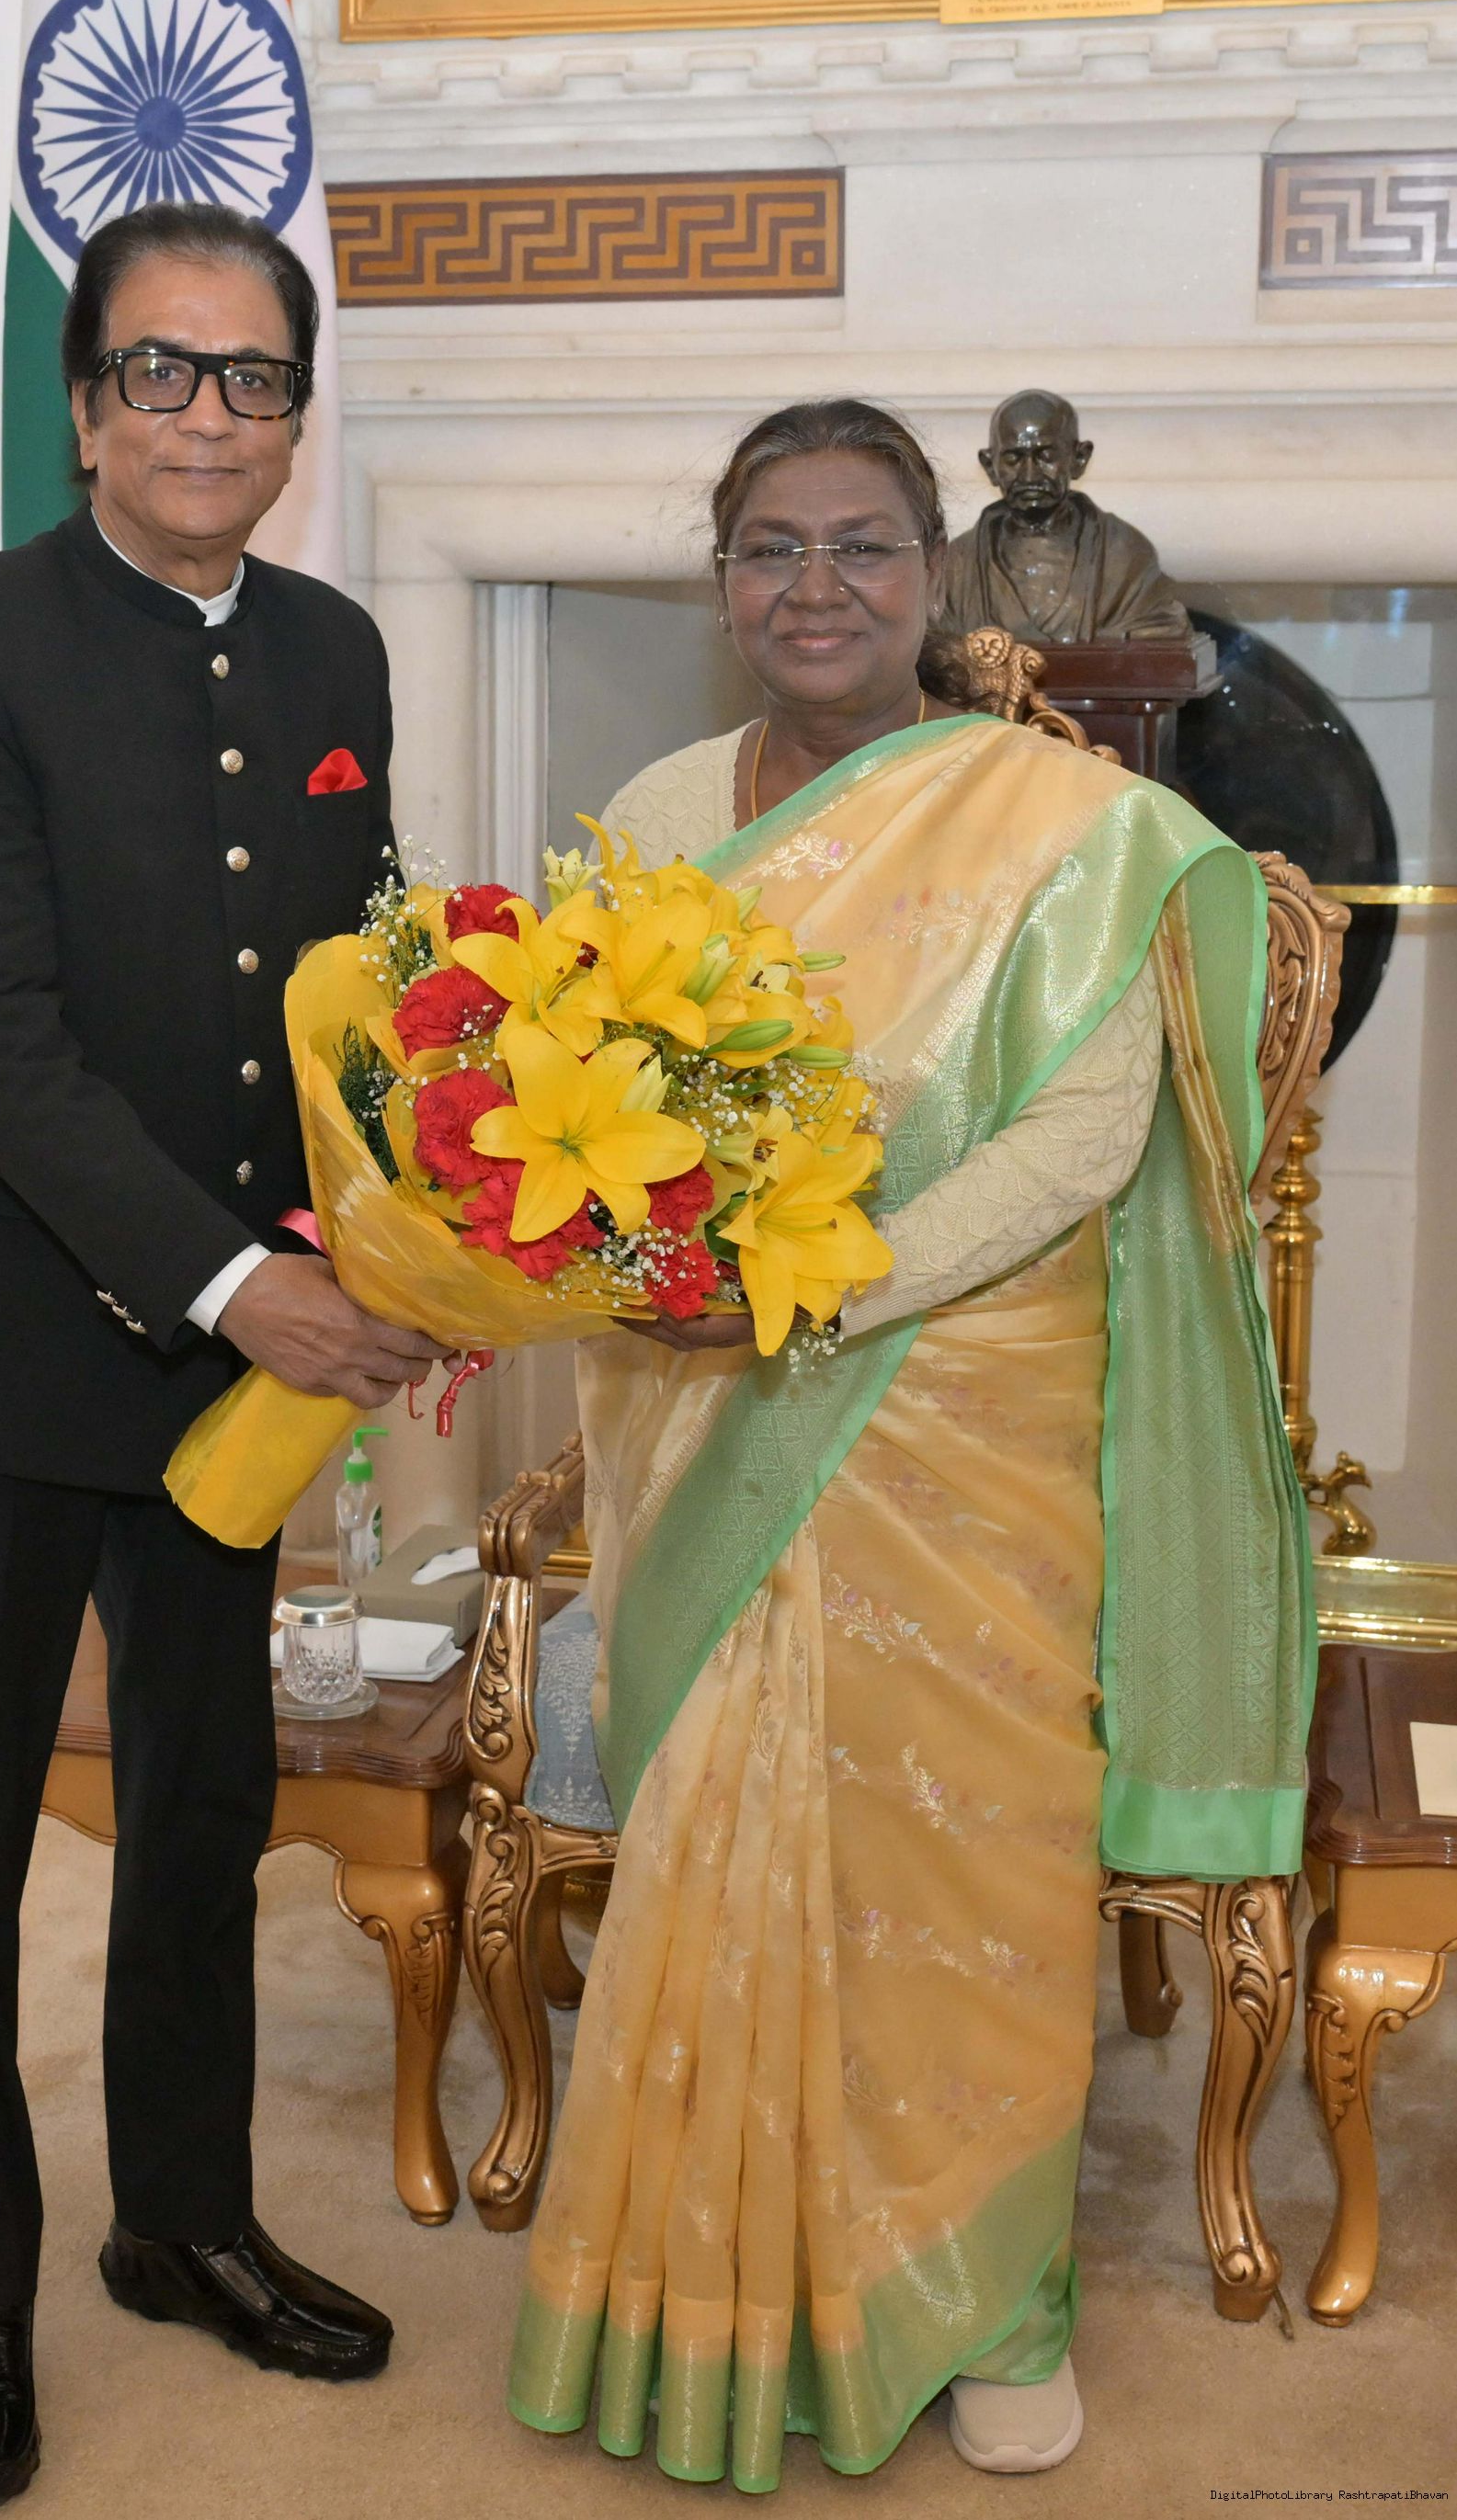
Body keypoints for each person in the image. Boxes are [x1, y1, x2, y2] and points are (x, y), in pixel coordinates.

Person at [507, 399, 1313, 2488]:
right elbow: (575, 1096)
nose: (814, 587)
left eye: (858, 544)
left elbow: (1080, 1136)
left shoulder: (1062, 824)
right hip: (694, 1403)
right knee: (715, 1844)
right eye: (769, 546)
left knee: (966, 1865)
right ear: (720, 581)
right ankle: (715, 2293)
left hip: (961, 1405)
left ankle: (990, 2301)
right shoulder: (656, 811)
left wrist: (821, 1291)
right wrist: (624, 1269)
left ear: (931, 572)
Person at [0, 201, 450, 2508]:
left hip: (226, 1360)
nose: (205, 413)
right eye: (158, 370)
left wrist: (433, 1232)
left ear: (293, 419)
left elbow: (362, 989)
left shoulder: (336, 646)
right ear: (84, 408)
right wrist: (242, 1280)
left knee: (201, 1804)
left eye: (250, 377)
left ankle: (179, 2219)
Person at [940, 388, 1191, 645]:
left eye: (1046, 457)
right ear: (989, 466)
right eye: (1013, 458)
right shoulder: (957, 566)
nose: (1029, 475)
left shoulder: (1124, 554)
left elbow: (1160, 629)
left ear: (1079, 459)